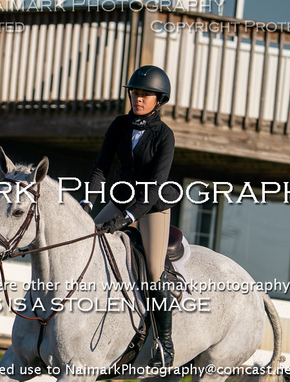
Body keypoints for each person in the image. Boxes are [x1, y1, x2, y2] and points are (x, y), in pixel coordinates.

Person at [81, 65, 178, 368]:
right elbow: (101, 167)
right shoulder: (120, 125)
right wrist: (87, 203)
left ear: (158, 100)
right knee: (86, 242)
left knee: (152, 270)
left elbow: (155, 187)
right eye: (135, 92)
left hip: (151, 208)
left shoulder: (164, 136)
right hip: (120, 200)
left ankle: (164, 343)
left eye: (146, 94)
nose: (138, 98)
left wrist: (127, 218)